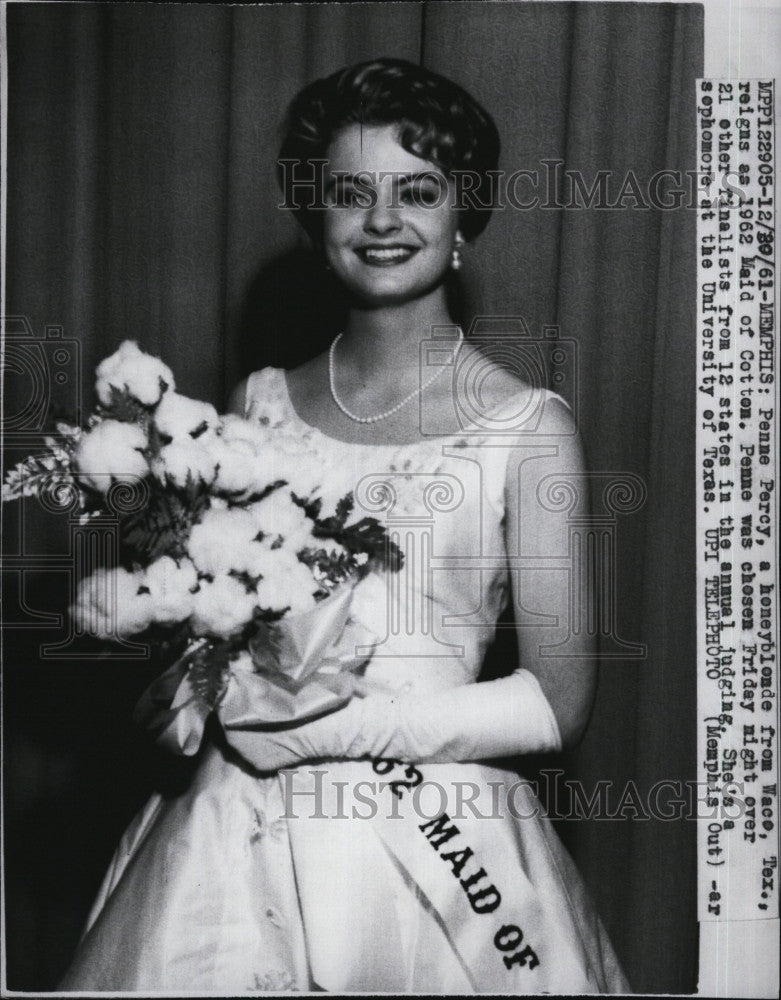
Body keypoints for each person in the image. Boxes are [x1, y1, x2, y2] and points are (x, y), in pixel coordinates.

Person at [60, 58, 630, 993]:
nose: (381, 221)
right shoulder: (261, 401)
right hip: (238, 817)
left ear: (462, 218)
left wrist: (338, 731)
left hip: (439, 833)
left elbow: (555, 705)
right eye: (350, 193)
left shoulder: (528, 425)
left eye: (417, 192)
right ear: (313, 217)